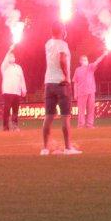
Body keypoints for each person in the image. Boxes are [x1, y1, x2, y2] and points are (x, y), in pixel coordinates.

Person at [42, 24, 79, 155]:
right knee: (65, 117)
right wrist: (67, 76)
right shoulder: (63, 44)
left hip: (49, 83)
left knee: (48, 116)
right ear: (62, 31)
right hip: (61, 83)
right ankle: (68, 148)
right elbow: (62, 60)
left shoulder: (48, 44)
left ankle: (45, 148)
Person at [73, 53, 105, 128]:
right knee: (81, 110)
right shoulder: (77, 70)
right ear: (80, 61)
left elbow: (97, 61)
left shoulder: (90, 67)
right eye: (84, 60)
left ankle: (90, 124)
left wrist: (103, 54)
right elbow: (75, 83)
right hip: (81, 92)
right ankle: (81, 125)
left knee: (91, 109)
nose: (86, 61)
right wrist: (75, 93)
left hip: (91, 91)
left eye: (86, 60)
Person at [0, 46, 27, 132]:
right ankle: (5, 126)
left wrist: (24, 89)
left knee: (15, 110)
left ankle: (15, 126)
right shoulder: (4, 66)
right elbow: (6, 57)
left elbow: (22, 79)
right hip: (7, 91)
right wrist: (10, 49)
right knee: (7, 109)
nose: (12, 57)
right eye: (10, 56)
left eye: (13, 56)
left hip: (17, 92)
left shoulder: (18, 67)